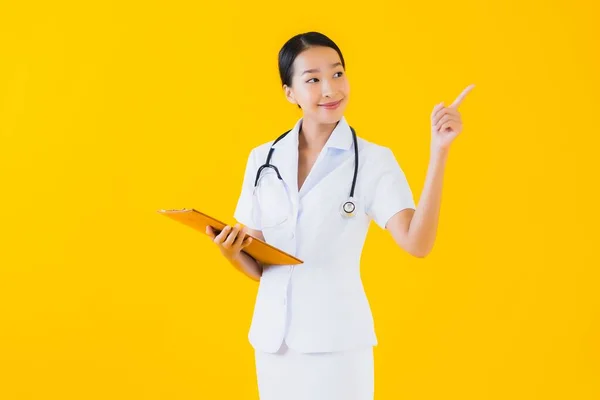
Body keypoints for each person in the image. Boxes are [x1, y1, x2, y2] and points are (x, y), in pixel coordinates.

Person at [206, 31, 474, 400]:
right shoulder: (262, 159)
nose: (330, 89)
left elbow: (417, 242)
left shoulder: (373, 161)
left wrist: (439, 152)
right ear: (290, 93)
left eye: (337, 74)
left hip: (337, 344)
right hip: (273, 344)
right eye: (313, 80)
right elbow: (261, 264)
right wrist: (230, 251)